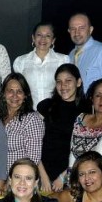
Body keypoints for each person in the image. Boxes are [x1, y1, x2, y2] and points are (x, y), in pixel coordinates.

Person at [37, 63, 84, 193]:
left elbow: (85, 149)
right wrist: (44, 177)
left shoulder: (87, 110)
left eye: (68, 81)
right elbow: (35, 143)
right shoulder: (46, 106)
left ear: (78, 82)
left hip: (71, 173)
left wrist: (63, 176)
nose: (63, 86)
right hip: (42, 173)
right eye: (59, 82)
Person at [68, 78, 102, 176]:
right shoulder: (80, 119)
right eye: (98, 95)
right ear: (92, 98)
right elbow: (72, 154)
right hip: (77, 176)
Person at [12, 22, 70, 107]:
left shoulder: (63, 60)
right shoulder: (21, 61)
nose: (43, 39)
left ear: (53, 40)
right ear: (33, 38)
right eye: (39, 35)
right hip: (29, 113)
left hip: (55, 112)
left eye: (48, 36)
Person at [0, 73, 44, 171]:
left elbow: (33, 160)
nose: (14, 95)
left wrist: (11, 181)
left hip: (20, 179)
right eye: (10, 91)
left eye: (19, 91)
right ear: (3, 94)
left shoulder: (32, 120)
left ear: (25, 95)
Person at [67, 13, 102, 91]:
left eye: (81, 28)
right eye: (73, 28)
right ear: (69, 31)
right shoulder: (70, 55)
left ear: (90, 30)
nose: (76, 32)